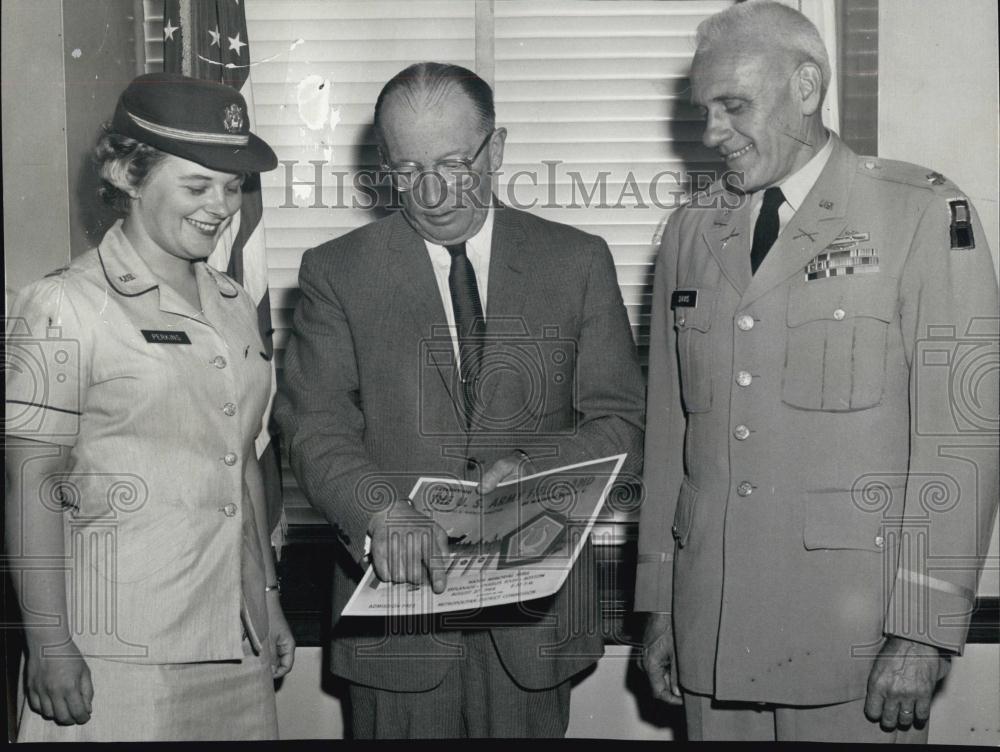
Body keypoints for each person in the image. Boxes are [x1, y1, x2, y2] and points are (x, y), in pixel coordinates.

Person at [636, 1, 998, 743]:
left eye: (734, 106)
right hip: (714, 626)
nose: (711, 135)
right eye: (703, 111)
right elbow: (673, 437)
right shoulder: (692, 231)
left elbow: (959, 438)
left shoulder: (919, 213)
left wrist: (923, 630)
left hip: (855, 643)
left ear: (807, 86)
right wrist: (662, 604)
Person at [275, 61, 644, 738]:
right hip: (398, 622)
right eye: (409, 170)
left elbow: (622, 421)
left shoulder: (577, 260)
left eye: (454, 162)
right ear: (383, 163)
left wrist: (536, 466)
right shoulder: (336, 272)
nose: (435, 193)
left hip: (534, 622)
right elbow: (313, 424)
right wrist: (381, 513)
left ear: (496, 149)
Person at [4, 72, 295, 742]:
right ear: (129, 175)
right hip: (120, 646)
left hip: (235, 638)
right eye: (197, 185)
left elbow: (240, 461)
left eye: (232, 186)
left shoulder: (228, 305)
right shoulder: (65, 305)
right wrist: (49, 643)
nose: (220, 206)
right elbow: (32, 480)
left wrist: (270, 599)